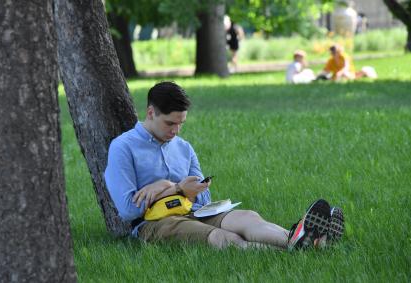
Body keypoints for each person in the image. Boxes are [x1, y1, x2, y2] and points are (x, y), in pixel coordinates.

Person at [105, 81, 345, 250]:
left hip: (195, 212)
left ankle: (300, 239)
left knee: (247, 218)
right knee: (223, 237)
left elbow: (202, 197)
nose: (176, 131)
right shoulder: (123, 147)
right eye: (170, 123)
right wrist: (174, 188)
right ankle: (300, 249)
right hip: (155, 224)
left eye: (181, 124)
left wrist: (168, 186)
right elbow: (128, 210)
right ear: (150, 113)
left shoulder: (183, 147)